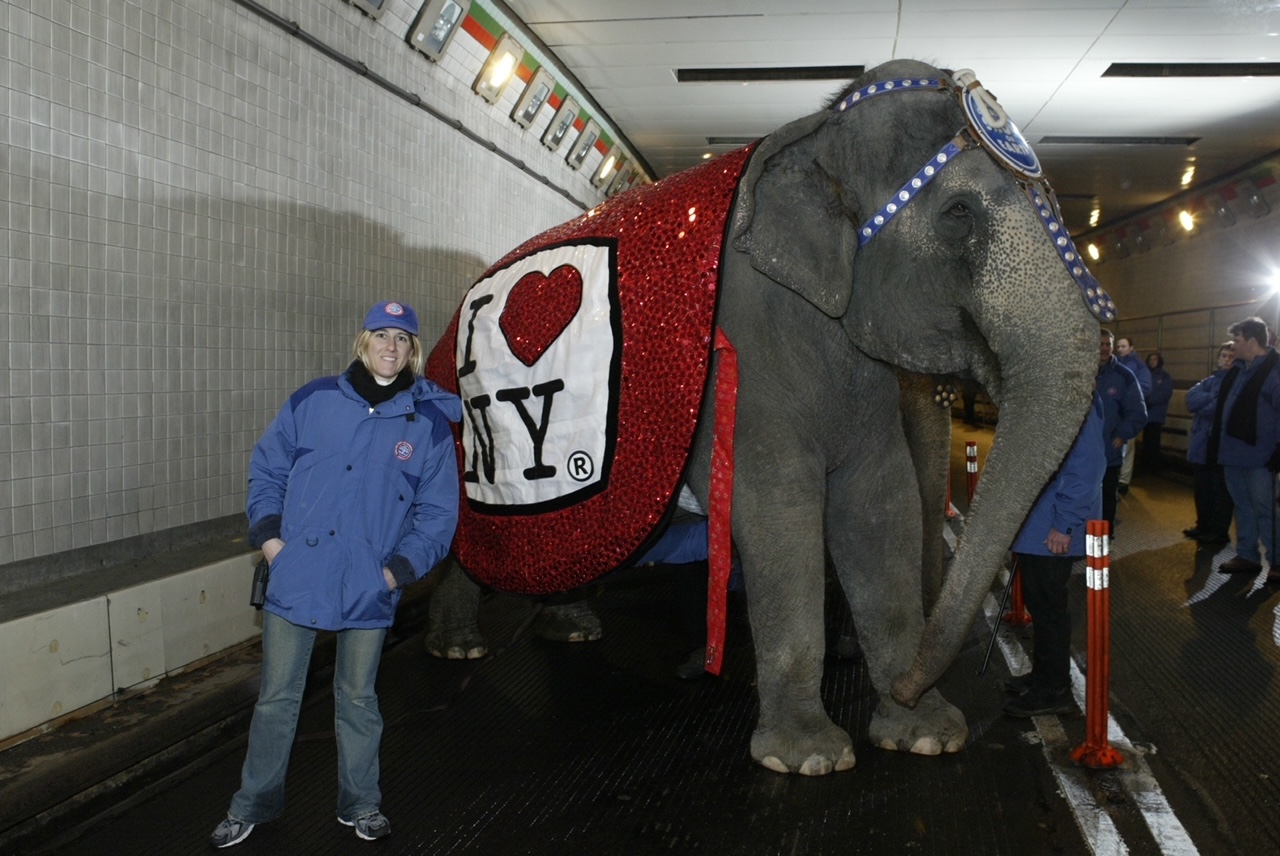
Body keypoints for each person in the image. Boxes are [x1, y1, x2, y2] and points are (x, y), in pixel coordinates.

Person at [210, 301, 462, 848]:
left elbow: (440, 515)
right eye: (381, 335)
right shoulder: (314, 399)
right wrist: (275, 545)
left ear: (412, 350)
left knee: (358, 700)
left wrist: (393, 575)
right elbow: (268, 468)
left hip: (369, 583)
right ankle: (252, 804)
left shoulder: (430, 427)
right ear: (362, 341)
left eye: (402, 338)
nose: (391, 346)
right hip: (298, 575)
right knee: (277, 698)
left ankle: (361, 803)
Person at [1003, 395, 1106, 717]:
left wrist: (1064, 523)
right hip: (1037, 528)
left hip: (1052, 531)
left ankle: (1054, 689)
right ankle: (1044, 675)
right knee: (1040, 605)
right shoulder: (1054, 403)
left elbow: (1087, 468)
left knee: (1049, 610)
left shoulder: (1076, 406)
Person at [1211, 317, 1280, 577]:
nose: (1233, 346)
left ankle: (1278, 561)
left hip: (1261, 456)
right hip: (1233, 454)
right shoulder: (1239, 369)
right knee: (1243, 506)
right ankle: (1247, 555)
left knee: (1266, 510)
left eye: (1237, 340)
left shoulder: (1275, 370)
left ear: (1252, 340)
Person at [1183, 342, 1236, 545]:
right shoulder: (1210, 381)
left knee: (1220, 491)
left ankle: (1218, 531)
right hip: (1200, 445)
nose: (1226, 359)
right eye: (1224, 355)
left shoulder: (1236, 382)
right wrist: (1213, 397)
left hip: (1220, 446)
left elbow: (1219, 407)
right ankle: (1202, 525)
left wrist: (1207, 401)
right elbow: (1190, 399)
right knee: (1202, 489)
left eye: (1231, 356)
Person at [1096, 329, 1147, 529]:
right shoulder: (1080, 373)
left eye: (1108, 344)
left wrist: (1121, 435)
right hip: (1083, 454)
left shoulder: (1124, 376)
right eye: (1100, 344)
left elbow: (1137, 412)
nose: (1104, 348)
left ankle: (1100, 546)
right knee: (1082, 498)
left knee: (1106, 499)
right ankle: (1078, 545)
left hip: (1109, 452)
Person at [1114, 336, 1151, 494]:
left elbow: (1145, 387)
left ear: (1131, 348)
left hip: (1127, 412)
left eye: (1123, 346)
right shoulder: (1113, 364)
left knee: (1127, 447)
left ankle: (1123, 480)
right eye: (1118, 346)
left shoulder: (1139, 367)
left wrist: (1125, 396)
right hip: (1114, 412)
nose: (1120, 349)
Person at [1142, 351, 1174, 468]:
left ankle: (1154, 464)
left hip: (1157, 413)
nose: (1152, 362)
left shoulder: (1164, 376)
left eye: (1155, 359)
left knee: (1154, 439)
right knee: (1147, 439)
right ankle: (1146, 463)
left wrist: (1151, 401)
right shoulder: (1145, 375)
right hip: (1146, 412)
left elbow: (1165, 393)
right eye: (1150, 360)